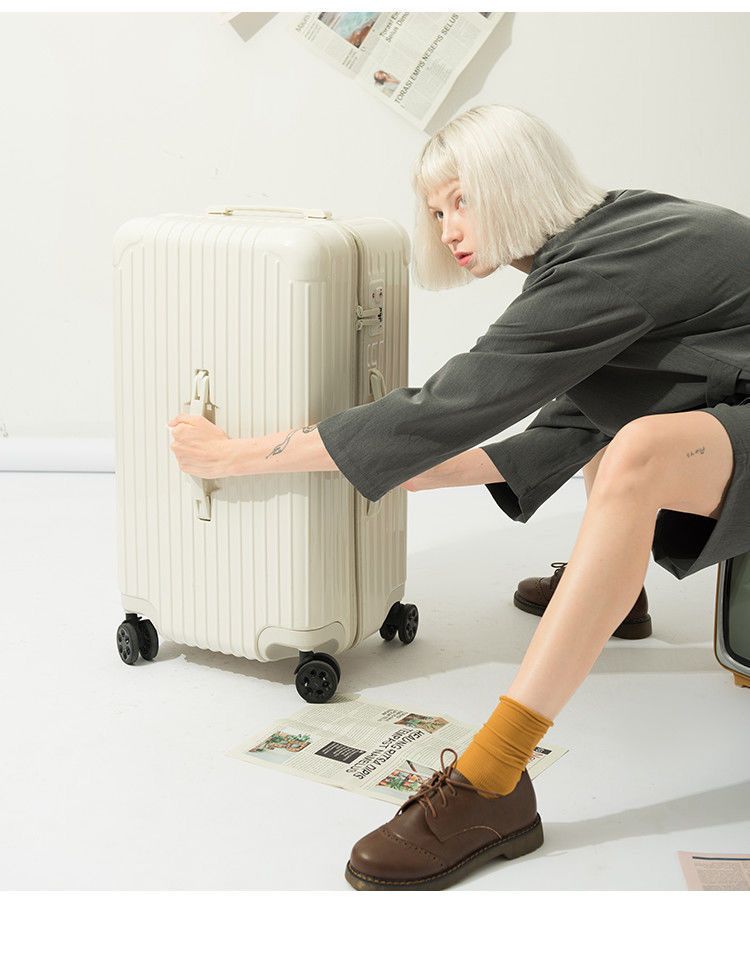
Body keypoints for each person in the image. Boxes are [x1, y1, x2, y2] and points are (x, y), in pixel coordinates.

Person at [168, 103, 750, 891]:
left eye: (461, 201)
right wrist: (396, 463)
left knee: (640, 450)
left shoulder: (602, 267)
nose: (446, 229)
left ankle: (494, 779)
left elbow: (448, 405)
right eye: (436, 211)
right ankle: (613, 594)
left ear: (516, 181)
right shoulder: (613, 235)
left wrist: (233, 457)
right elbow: (567, 425)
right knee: (618, 416)